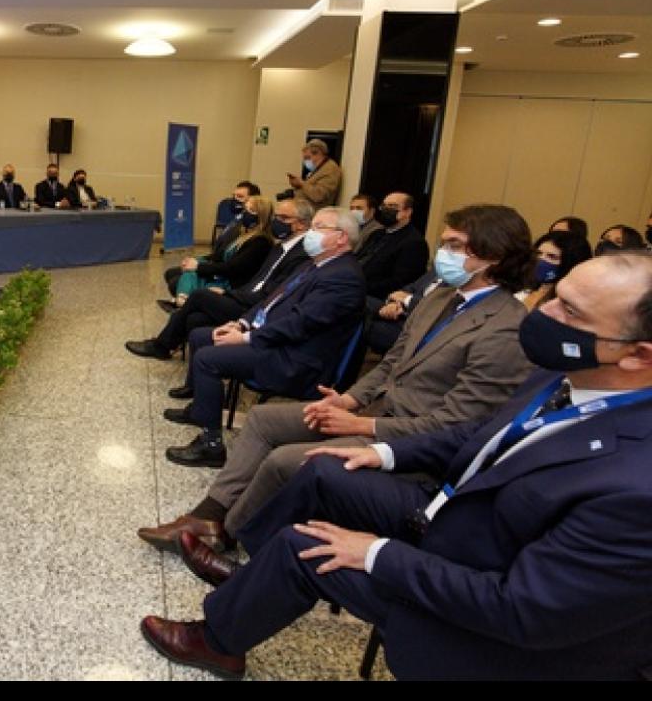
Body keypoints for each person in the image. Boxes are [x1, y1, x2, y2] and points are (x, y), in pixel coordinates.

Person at [141, 252, 652, 680]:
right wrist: (382, 453)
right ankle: (247, 581)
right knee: (322, 468)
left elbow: (524, 611)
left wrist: (378, 553)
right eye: (555, 294)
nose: (542, 311)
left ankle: (217, 641)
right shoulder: (568, 374)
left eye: (571, 312)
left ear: (638, 355)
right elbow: (479, 436)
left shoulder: (636, 489)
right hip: (457, 520)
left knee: (305, 546)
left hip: (489, 619)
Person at [137, 204, 535, 551]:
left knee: (284, 460)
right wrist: (349, 400)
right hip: (375, 410)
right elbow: (391, 361)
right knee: (262, 420)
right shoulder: (441, 297)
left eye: (454, 246)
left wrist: (360, 423)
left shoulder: (505, 329)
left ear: (493, 256)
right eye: (444, 243)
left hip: (411, 442)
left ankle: (227, 531)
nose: (442, 253)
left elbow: (454, 425)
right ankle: (208, 514)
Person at [158, 208, 367, 467]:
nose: (310, 234)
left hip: (296, 359)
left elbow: (299, 323)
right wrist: (242, 323)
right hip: (278, 341)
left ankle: (211, 446)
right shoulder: (314, 263)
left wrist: (247, 338)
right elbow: (272, 300)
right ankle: (200, 408)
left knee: (207, 358)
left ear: (341, 238)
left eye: (319, 227)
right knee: (202, 335)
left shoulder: (344, 277)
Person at [128, 198, 311, 361]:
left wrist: (229, 293)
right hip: (244, 297)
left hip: (254, 309)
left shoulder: (296, 254)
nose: (277, 222)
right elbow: (255, 281)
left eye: (284, 218)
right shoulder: (280, 247)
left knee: (199, 296)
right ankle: (192, 363)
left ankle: (162, 345)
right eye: (276, 217)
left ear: (302, 225)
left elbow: (270, 294)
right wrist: (228, 293)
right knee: (194, 318)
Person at [168, 194, 274, 304]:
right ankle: (183, 300)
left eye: (251, 210)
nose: (245, 213)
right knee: (187, 271)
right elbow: (221, 255)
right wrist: (196, 260)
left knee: (188, 274)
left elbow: (233, 268)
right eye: (245, 209)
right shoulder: (244, 232)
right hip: (223, 274)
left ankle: (183, 300)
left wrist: (198, 266)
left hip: (230, 283)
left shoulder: (260, 242)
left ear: (261, 217)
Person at [354, 192, 429, 299]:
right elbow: (359, 258)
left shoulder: (414, 243)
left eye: (393, 206)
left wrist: (360, 286)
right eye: (384, 206)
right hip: (356, 285)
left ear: (407, 212)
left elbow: (400, 282)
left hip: (377, 297)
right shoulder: (377, 234)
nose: (386, 209)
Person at [519, 230, 591, 311]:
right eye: (538, 253)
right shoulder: (522, 286)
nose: (541, 259)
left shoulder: (571, 305)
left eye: (552, 256)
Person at [286, 138, 341, 209]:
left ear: (318, 153)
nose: (305, 161)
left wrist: (301, 183)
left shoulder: (330, 169)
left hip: (315, 214)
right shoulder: (318, 169)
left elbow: (319, 195)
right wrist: (297, 185)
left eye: (307, 158)